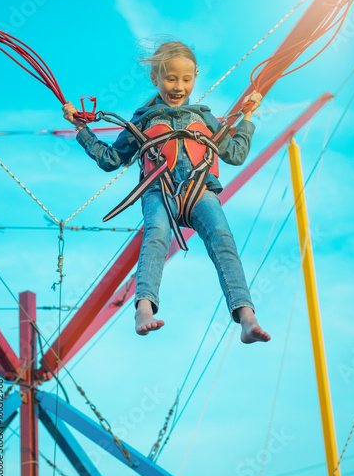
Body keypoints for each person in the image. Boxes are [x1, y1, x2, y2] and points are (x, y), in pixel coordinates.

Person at [62, 41, 271, 344]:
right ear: (155, 79)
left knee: (222, 237)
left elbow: (235, 154)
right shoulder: (144, 119)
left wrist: (248, 119)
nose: (178, 86)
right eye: (171, 78)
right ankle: (143, 308)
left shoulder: (205, 118)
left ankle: (247, 318)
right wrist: (81, 129)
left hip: (200, 190)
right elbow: (110, 160)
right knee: (157, 233)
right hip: (159, 190)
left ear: (196, 76)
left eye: (186, 79)